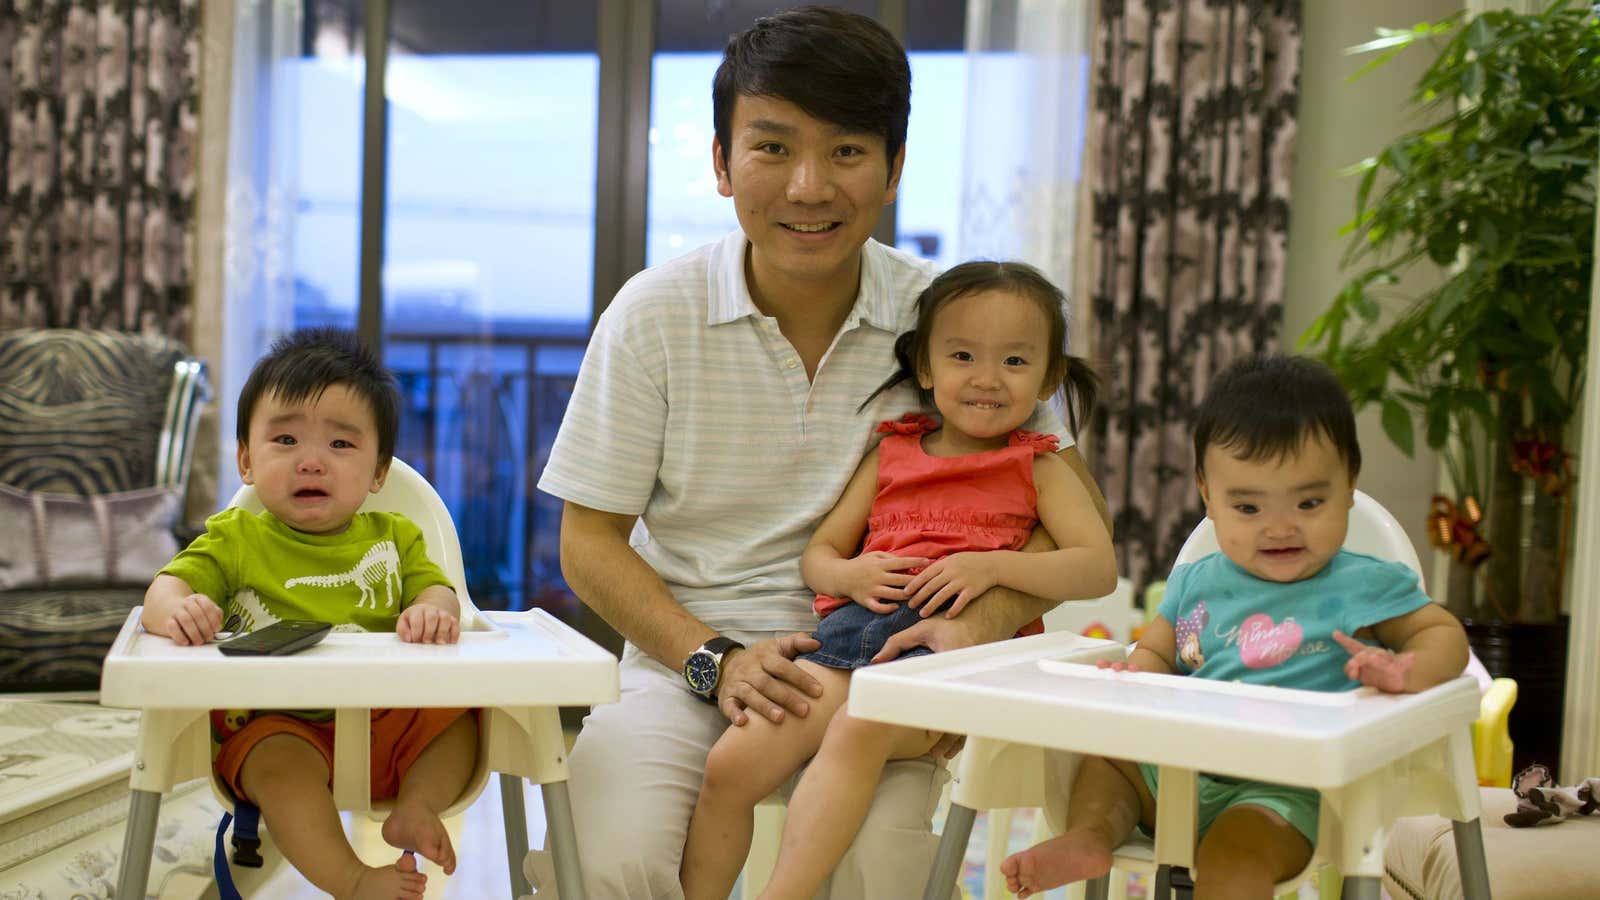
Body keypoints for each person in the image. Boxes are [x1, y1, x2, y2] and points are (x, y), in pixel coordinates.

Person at [534, 7, 1111, 896]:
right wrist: (711, 657)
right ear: (723, 164)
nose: (808, 186)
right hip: (691, 664)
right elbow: (590, 543)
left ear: (893, 169)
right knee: (608, 859)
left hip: (885, 662)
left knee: (883, 868)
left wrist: (968, 631)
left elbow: (1068, 516)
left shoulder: (951, 320)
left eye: (846, 150)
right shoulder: (653, 314)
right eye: (772, 148)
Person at [679, 261, 1118, 899]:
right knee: (732, 764)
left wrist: (993, 565)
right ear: (926, 368)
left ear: (1050, 377)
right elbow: (820, 553)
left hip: (948, 666)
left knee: (859, 728)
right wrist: (851, 574)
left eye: (1016, 363)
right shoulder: (894, 451)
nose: (987, 379)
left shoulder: (1038, 466)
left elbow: (1096, 564)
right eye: (963, 355)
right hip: (851, 641)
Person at [1000, 354, 1470, 900]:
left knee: (1232, 861)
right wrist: (1133, 678)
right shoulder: (1195, 582)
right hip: (1174, 769)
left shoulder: (1364, 585)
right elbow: (1154, 650)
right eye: (1247, 506)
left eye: (1310, 501)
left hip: (1282, 793)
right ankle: (1091, 835)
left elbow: (1445, 637)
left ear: (1349, 486)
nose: (1279, 527)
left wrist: (1406, 671)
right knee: (1108, 763)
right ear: (1207, 494)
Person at [141, 328, 475, 900]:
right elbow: (161, 592)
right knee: (280, 766)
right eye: (287, 439)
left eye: (341, 446)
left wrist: (431, 611)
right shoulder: (235, 538)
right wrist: (180, 609)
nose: (313, 462)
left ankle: (416, 808)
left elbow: (442, 595)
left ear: (378, 472)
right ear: (246, 459)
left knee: (463, 721)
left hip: (386, 721)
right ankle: (351, 878)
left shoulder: (397, 537)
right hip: (280, 724)